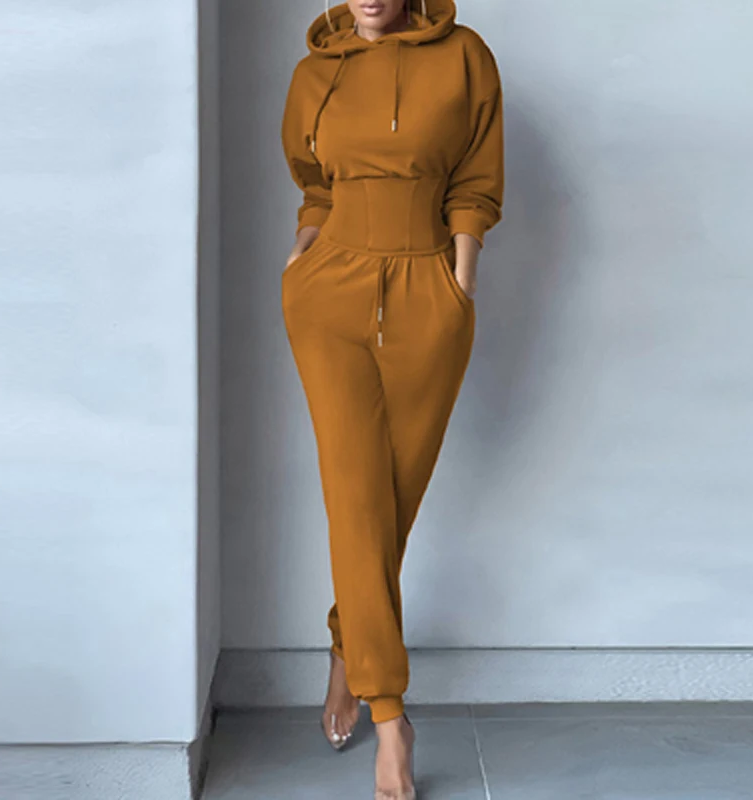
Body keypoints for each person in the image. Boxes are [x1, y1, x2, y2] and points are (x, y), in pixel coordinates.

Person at [280, 0, 503, 795]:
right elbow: (315, 185)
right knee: (355, 499)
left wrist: (460, 279)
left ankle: (348, 646)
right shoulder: (314, 72)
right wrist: (301, 254)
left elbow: (478, 175)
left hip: (427, 291)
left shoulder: (465, 56)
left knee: (391, 504)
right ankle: (389, 715)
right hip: (328, 297)